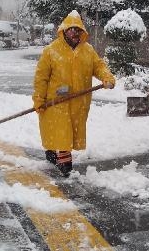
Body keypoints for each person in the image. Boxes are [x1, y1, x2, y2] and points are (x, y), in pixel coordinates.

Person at [32, 10, 115, 177]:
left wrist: (107, 77)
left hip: (79, 101)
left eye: (78, 30)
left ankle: (53, 153)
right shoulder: (51, 50)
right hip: (56, 101)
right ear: (64, 30)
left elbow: (99, 66)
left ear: (82, 32)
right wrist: (39, 99)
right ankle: (64, 161)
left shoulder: (88, 50)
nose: (74, 33)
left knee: (68, 129)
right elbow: (41, 78)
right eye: (71, 29)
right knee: (61, 130)